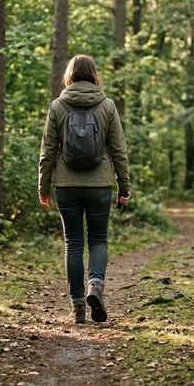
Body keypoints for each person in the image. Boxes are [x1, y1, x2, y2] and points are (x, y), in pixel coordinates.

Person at [38, 54, 131, 324]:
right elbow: (118, 151)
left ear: (69, 75)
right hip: (100, 184)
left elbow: (48, 152)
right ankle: (95, 287)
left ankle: (78, 308)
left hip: (67, 185)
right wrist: (123, 185)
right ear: (93, 75)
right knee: (98, 240)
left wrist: (44, 187)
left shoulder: (58, 106)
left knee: (73, 244)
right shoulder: (107, 105)